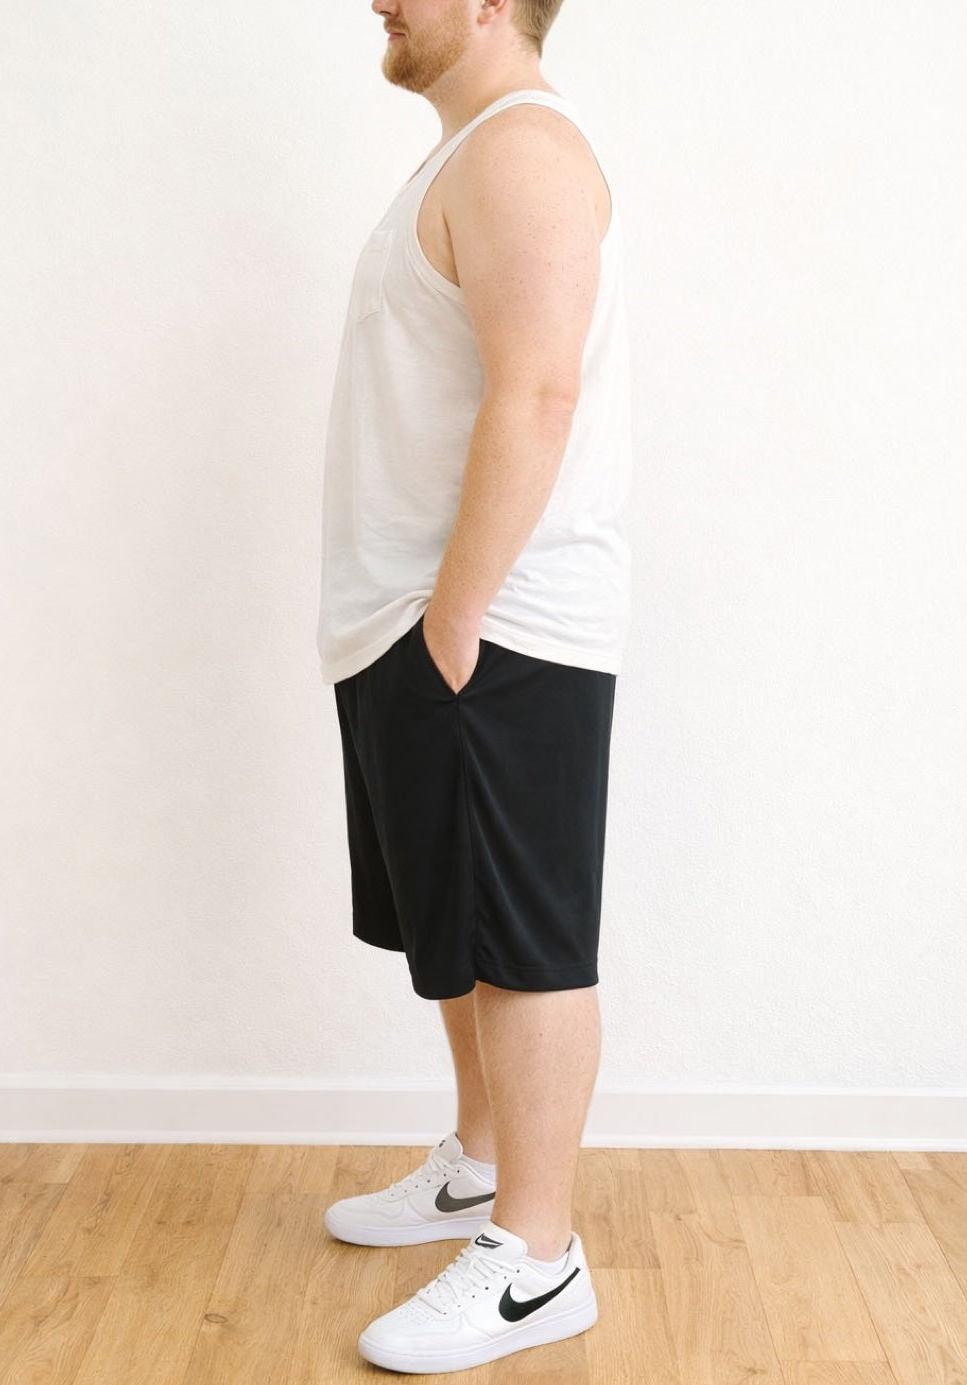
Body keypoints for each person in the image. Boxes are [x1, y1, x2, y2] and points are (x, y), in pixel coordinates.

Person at [316, 0, 632, 1372]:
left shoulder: (523, 152)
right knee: (459, 927)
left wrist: (457, 614)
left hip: (494, 624)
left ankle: (539, 1258)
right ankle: (477, 1169)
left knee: (524, 942)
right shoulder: (466, 156)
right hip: (420, 621)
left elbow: (539, 393)